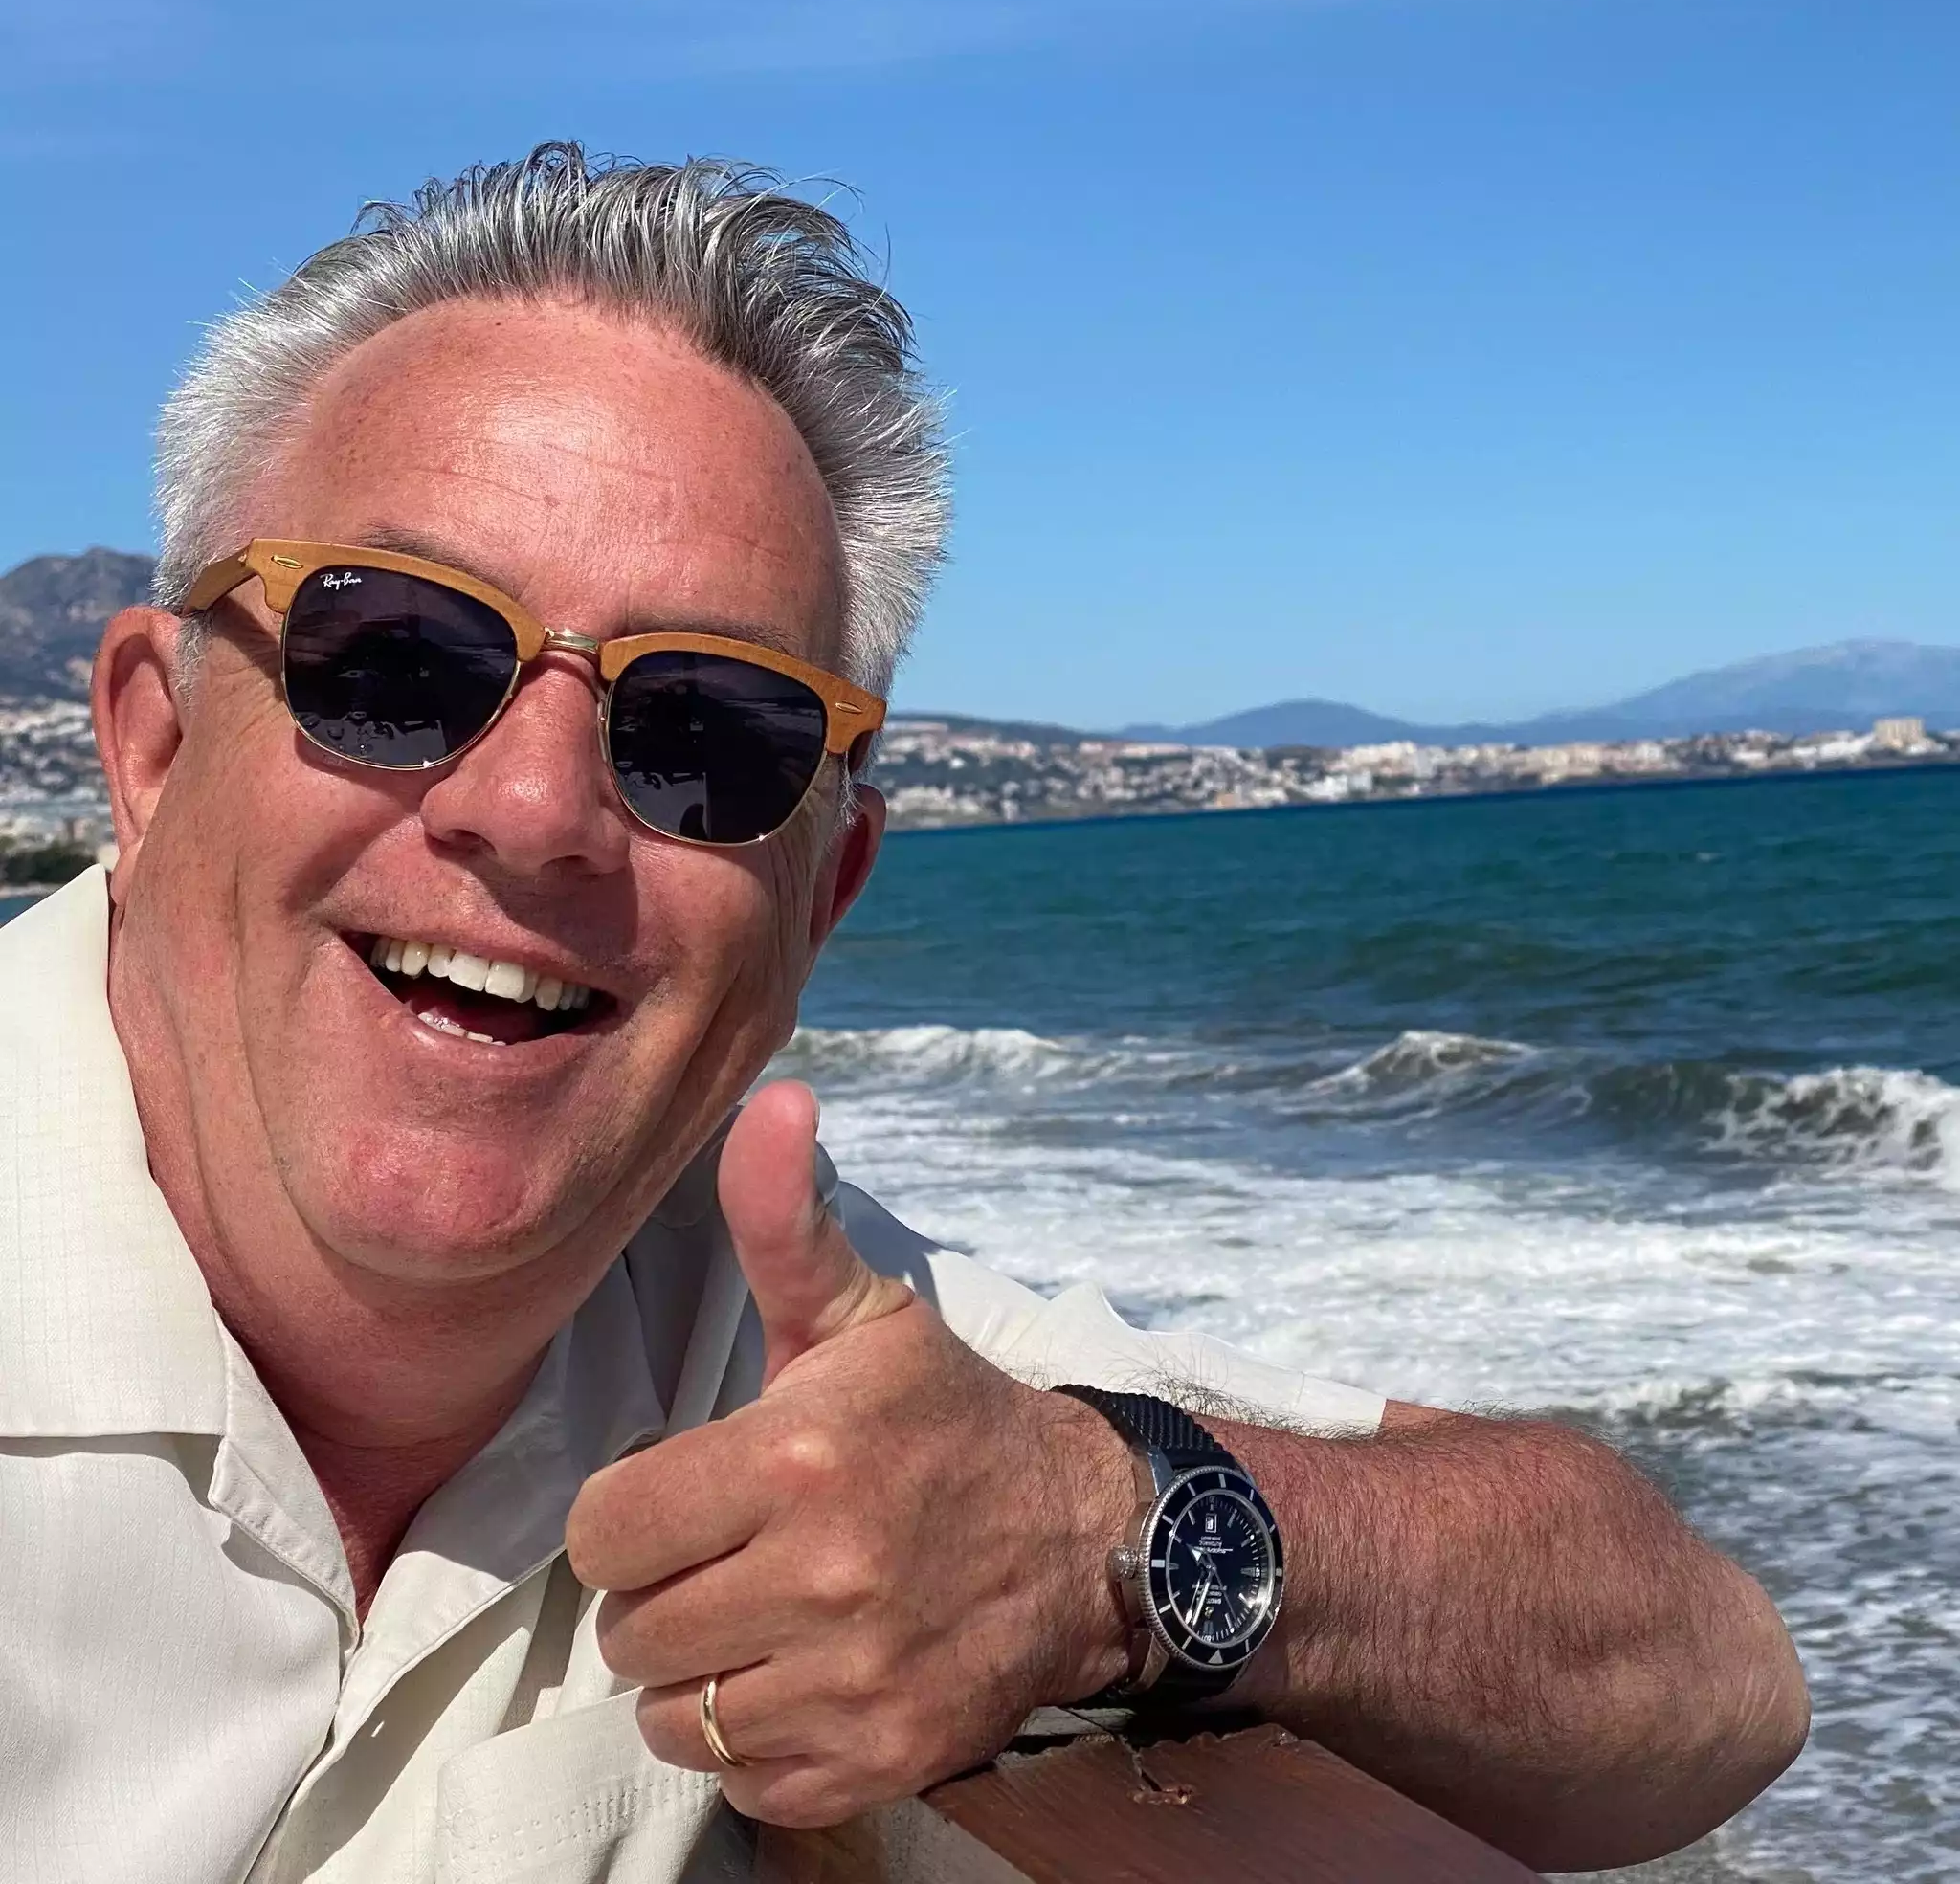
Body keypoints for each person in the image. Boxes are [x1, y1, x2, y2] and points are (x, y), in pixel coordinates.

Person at [0, 144, 1807, 1884]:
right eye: (397, 660)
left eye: (705, 732)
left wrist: (1092, 1533)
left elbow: (1705, 1676)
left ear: (824, 895)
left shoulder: (766, 1330)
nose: (536, 810)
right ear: (151, 746)